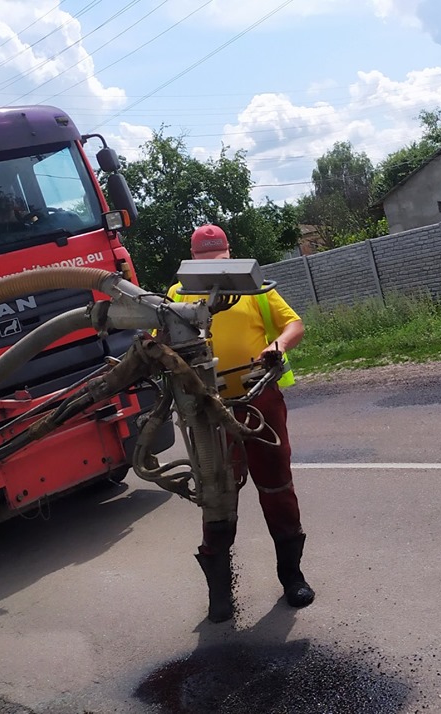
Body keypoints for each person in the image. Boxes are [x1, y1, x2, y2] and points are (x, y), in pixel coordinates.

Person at [168, 224, 315, 622]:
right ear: (192, 259)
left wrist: (277, 345)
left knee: (277, 486)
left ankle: (292, 577)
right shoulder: (178, 296)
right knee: (217, 493)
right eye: (206, 261)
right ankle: (220, 594)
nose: (215, 268)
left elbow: (294, 324)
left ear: (230, 254)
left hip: (258, 399)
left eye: (221, 260)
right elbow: (159, 341)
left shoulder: (257, 288)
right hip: (207, 408)